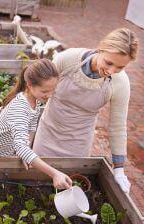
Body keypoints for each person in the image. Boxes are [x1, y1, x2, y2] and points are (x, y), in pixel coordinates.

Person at [33, 28, 139, 194]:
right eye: (109, 63)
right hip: (47, 134)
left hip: (78, 143)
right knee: (35, 182)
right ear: (100, 49)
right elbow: (37, 90)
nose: (112, 71)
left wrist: (119, 168)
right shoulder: (68, 59)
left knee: (66, 188)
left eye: (120, 67)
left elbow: (117, 127)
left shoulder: (120, 83)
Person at [0, 59, 72, 189]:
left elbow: (31, 127)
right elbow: (20, 147)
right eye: (45, 91)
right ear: (29, 85)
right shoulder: (19, 107)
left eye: (52, 90)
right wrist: (54, 173)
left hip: (7, 150)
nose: (49, 95)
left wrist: (26, 152)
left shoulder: (36, 100)